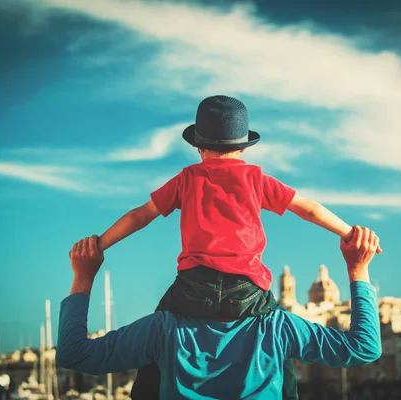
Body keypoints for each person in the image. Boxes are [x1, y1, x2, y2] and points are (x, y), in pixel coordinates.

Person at [92, 95, 382, 399]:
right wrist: (350, 232)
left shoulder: (186, 178)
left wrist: (101, 244)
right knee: (280, 356)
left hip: (193, 285)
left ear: (199, 146)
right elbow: (308, 209)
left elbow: (140, 216)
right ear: (242, 147)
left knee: (156, 346)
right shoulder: (256, 178)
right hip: (247, 288)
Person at [57, 226, 382, 399]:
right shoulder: (277, 329)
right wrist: (357, 269)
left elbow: (75, 354)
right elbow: (363, 347)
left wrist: (83, 275)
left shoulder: (163, 330)